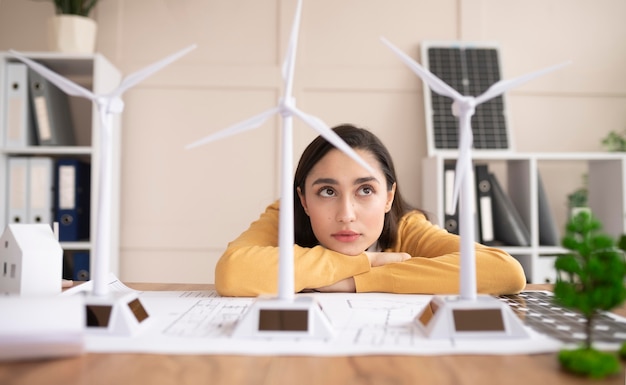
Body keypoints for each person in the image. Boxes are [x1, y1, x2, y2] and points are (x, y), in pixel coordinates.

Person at [215, 124, 526, 296]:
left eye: (365, 190)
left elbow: (504, 271)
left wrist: (354, 282)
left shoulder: (406, 227)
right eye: (327, 191)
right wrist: (371, 260)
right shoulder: (286, 214)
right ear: (304, 200)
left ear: (389, 197)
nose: (346, 214)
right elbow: (233, 272)